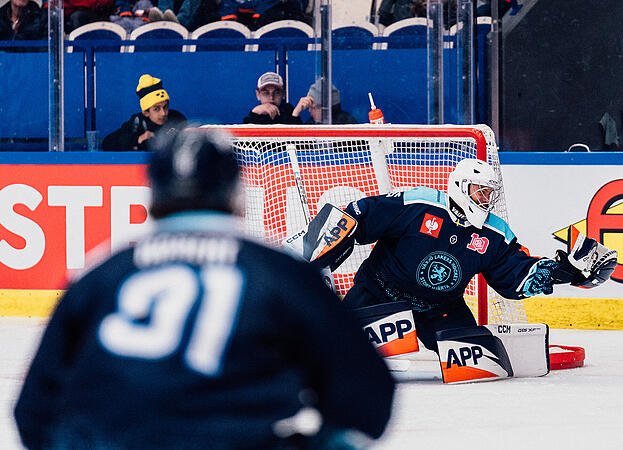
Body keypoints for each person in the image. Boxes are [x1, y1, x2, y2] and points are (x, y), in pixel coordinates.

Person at [14, 128, 396, 448]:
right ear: (235, 193)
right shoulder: (279, 272)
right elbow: (369, 398)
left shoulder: (101, 274)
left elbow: (32, 412)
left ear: (154, 193)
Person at [339, 158, 616, 353]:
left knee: (480, 358)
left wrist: (563, 270)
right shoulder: (417, 204)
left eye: (489, 194)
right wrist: (326, 245)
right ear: (461, 186)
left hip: (438, 308)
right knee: (336, 347)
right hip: (379, 293)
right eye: (480, 191)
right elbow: (362, 216)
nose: (485, 199)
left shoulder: (494, 234)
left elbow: (515, 275)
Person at [102, 74, 187, 151]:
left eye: (165, 107)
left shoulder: (176, 118)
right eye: (157, 109)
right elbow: (107, 143)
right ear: (146, 112)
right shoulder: (137, 121)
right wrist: (138, 139)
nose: (163, 113)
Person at [292, 78, 358, 125]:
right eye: (309, 107)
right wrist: (295, 113)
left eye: (314, 107)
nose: (309, 110)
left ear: (327, 109)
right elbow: (297, 142)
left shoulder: (347, 125)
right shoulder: (312, 123)